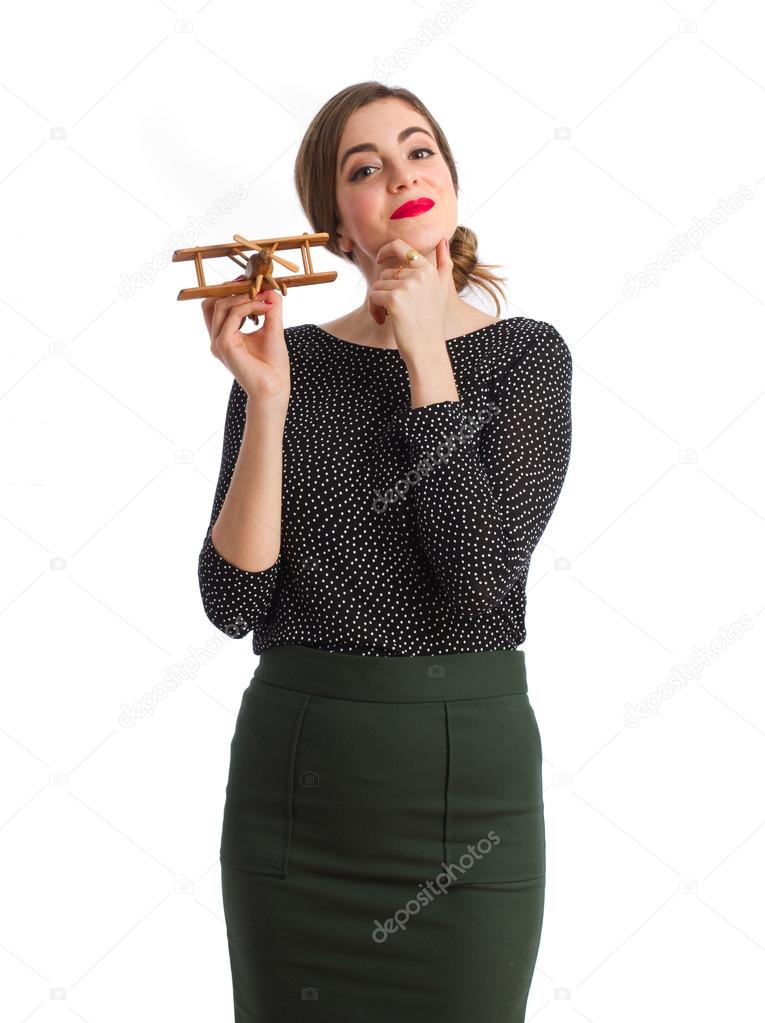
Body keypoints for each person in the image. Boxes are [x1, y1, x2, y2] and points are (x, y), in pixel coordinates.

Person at [198, 81, 573, 1023]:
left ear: (449, 179)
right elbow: (232, 600)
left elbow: (482, 590)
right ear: (335, 227)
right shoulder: (295, 365)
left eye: (419, 152)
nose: (401, 175)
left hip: (463, 793)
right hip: (298, 787)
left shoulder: (527, 356)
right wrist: (268, 400)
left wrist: (424, 353)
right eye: (365, 168)